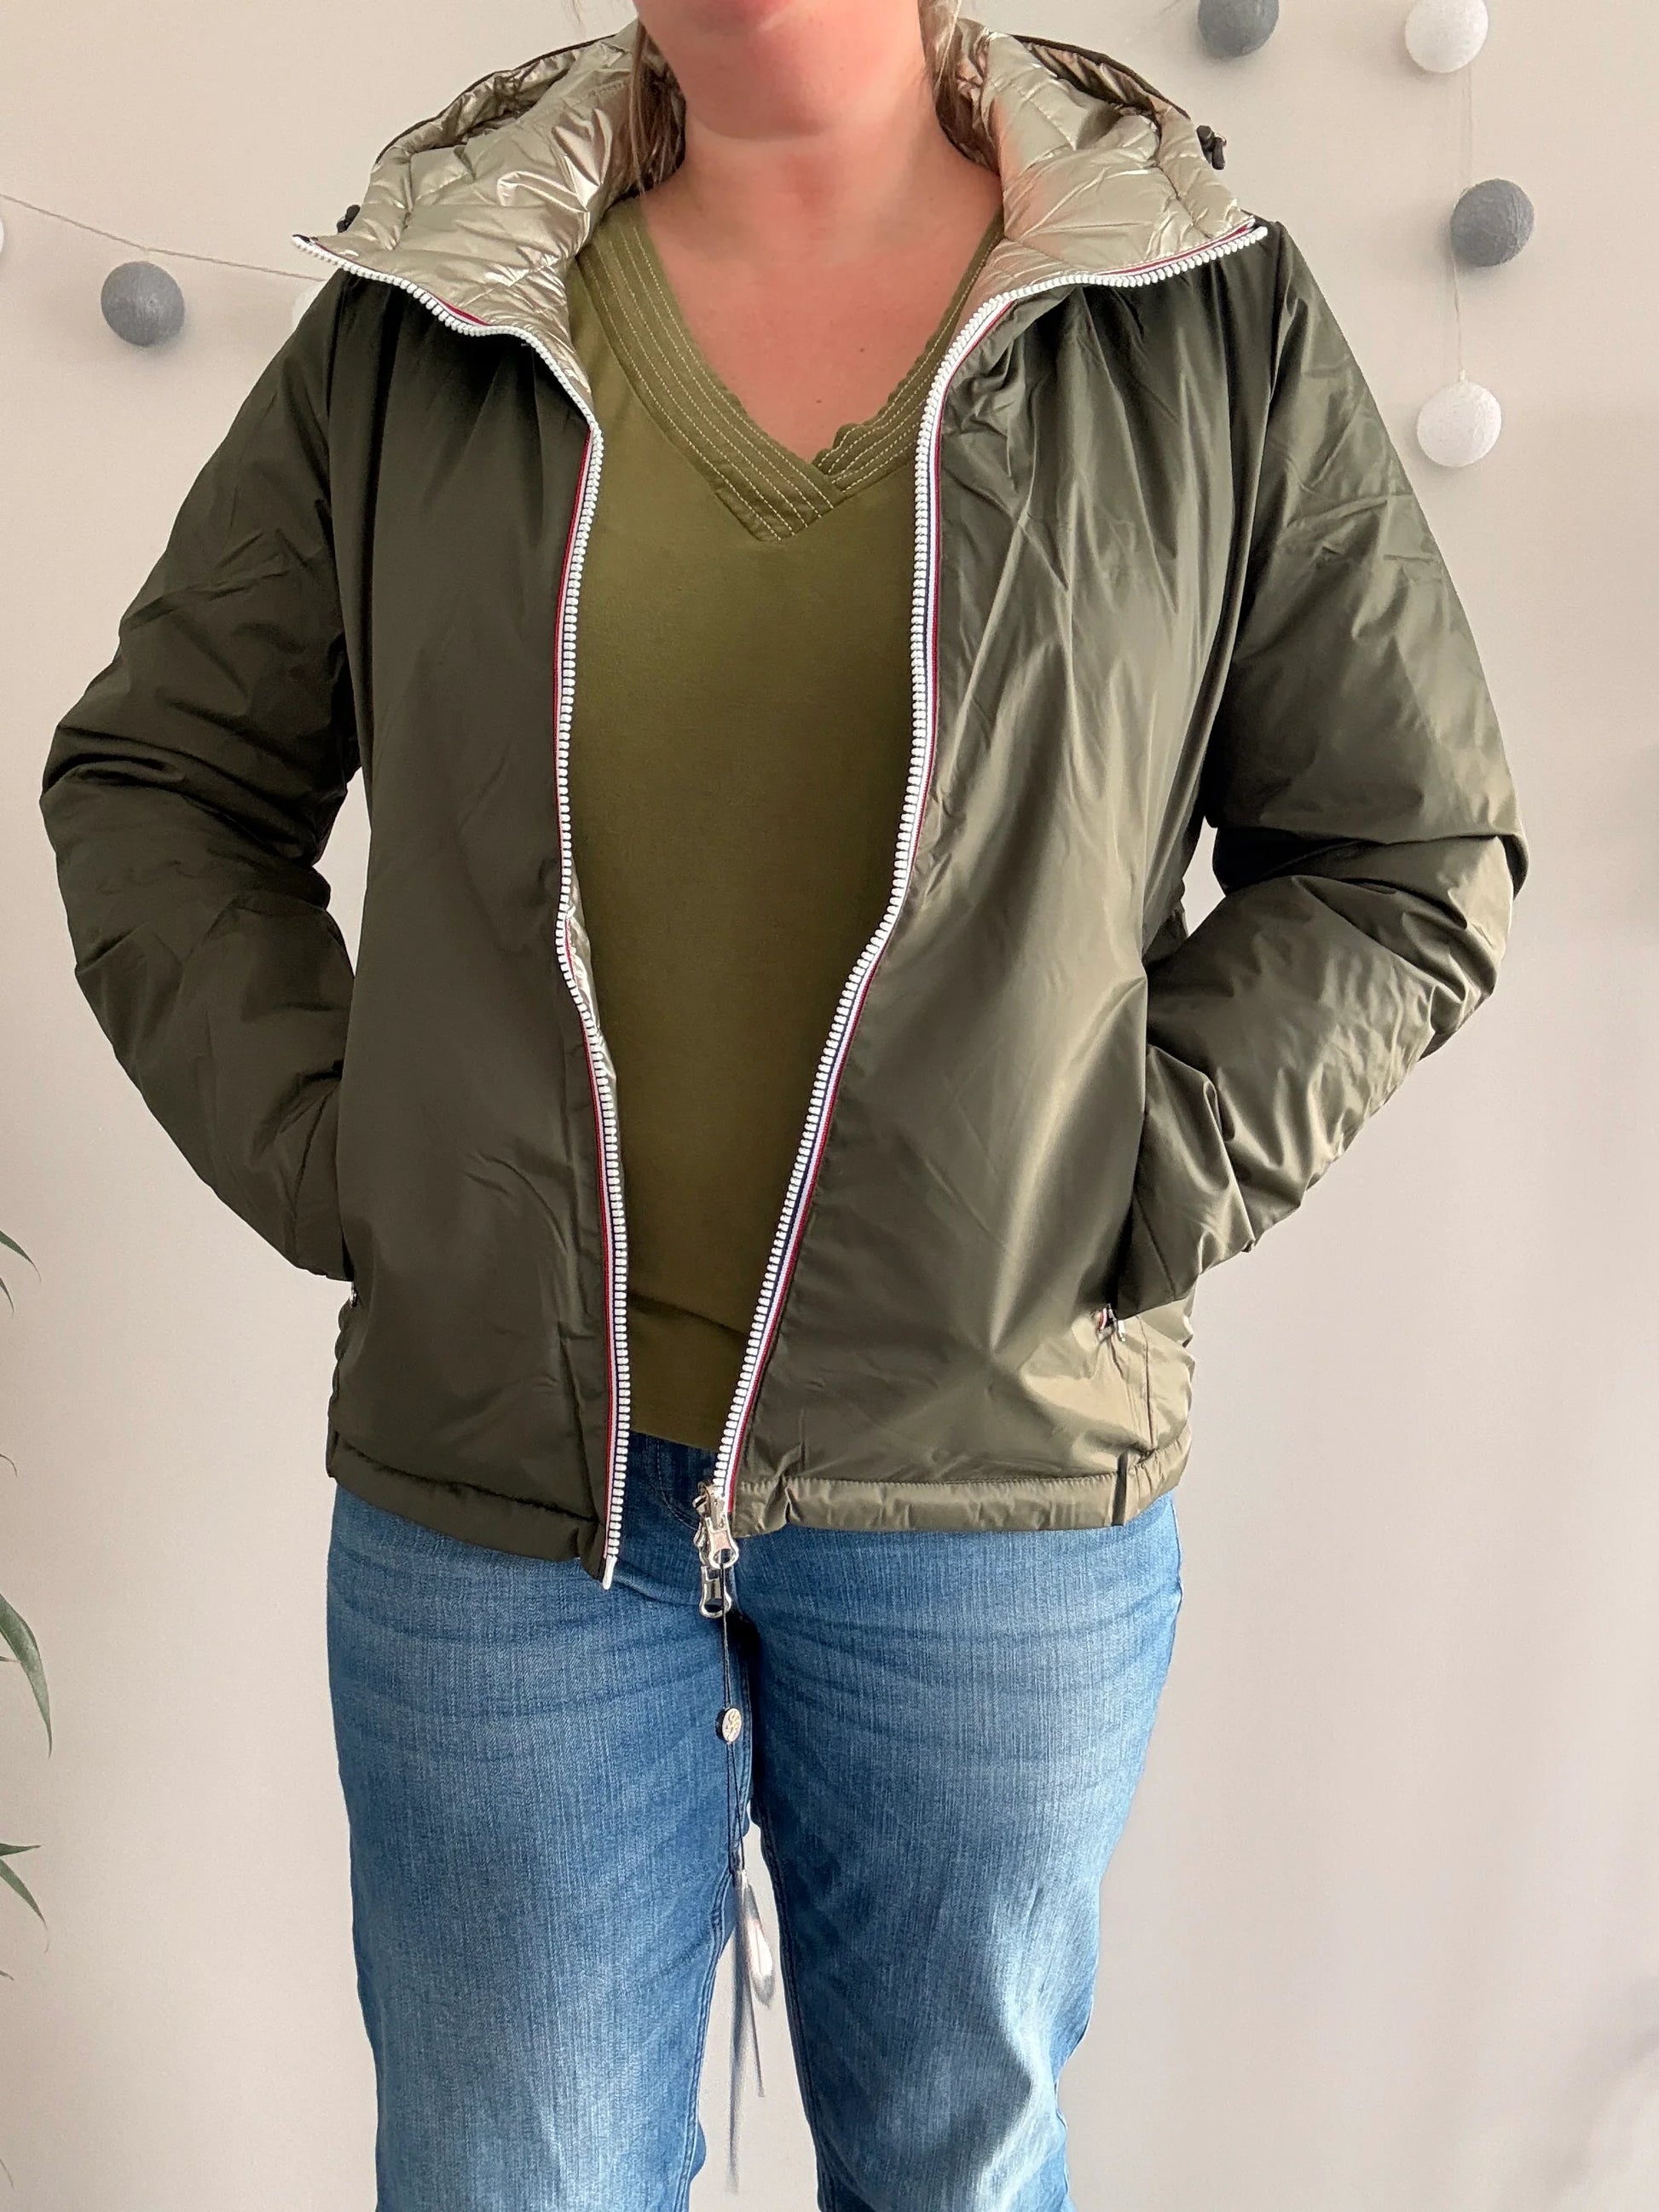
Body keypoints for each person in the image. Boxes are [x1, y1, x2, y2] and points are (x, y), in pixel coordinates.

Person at [38, 3, 1529, 2206]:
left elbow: (1404, 848)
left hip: (994, 1475)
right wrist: (360, 1170)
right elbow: (159, 780)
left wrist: (1124, 1180)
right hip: (506, 1499)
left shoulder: (1196, 314)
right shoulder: (433, 311)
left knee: (956, 2173)